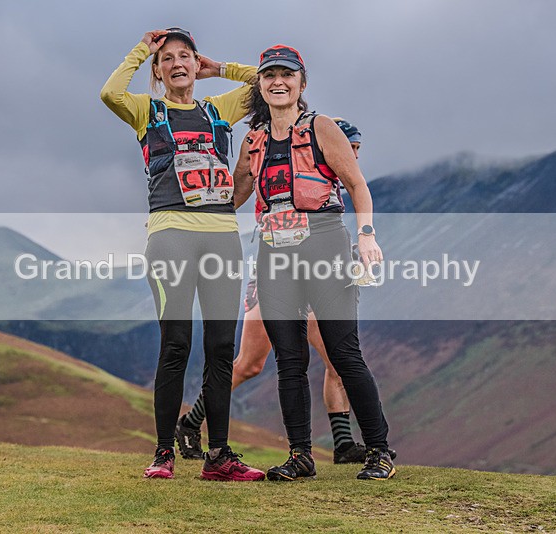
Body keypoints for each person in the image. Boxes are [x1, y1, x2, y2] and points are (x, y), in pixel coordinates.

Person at [176, 119, 396, 465]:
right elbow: (242, 193)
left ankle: (343, 443)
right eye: (350, 148)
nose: (353, 156)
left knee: (337, 359)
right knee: (251, 365)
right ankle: (190, 422)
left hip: (315, 271)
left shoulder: (334, 179)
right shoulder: (293, 151)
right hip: (275, 275)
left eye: (357, 150)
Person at [100, 28, 264, 481]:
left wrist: (219, 68)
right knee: (176, 344)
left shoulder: (218, 109)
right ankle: (163, 453)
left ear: (196, 63)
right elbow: (110, 93)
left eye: (185, 56)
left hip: (222, 237)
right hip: (170, 237)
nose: (177, 63)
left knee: (221, 347)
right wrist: (142, 50)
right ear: (158, 71)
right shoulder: (146, 111)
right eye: (168, 58)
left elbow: (268, 82)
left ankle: (220, 456)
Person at [232, 45, 395, 481]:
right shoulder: (253, 141)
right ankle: (300, 455)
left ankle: (379, 452)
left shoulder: (321, 128)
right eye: (269, 76)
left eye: (287, 75)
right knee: (289, 360)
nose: (278, 82)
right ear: (260, 84)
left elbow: (357, 185)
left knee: (344, 353)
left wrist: (366, 235)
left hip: (324, 245)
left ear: (301, 83)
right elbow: (234, 197)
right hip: (274, 250)